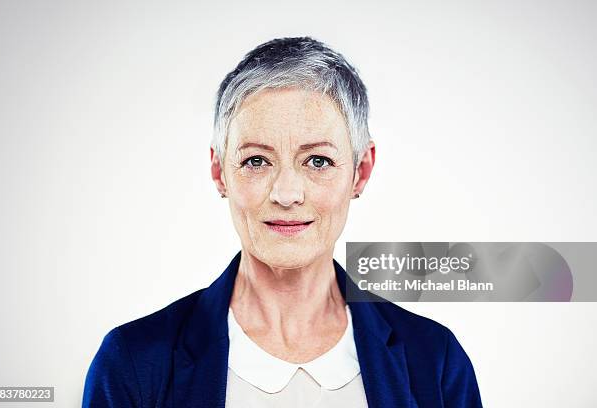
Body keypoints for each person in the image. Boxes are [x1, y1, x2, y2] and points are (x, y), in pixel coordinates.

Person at [82, 36, 483, 408]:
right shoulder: (132, 364)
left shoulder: (436, 362)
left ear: (360, 172)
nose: (287, 193)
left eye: (318, 161)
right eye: (256, 160)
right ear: (220, 171)